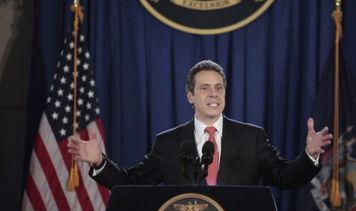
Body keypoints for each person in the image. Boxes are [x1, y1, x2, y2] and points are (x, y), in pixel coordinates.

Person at [67, 60, 332, 189]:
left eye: (219, 88)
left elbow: (285, 177)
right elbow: (130, 183)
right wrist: (99, 162)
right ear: (190, 96)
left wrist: (309, 155)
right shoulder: (168, 143)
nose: (213, 94)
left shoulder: (252, 138)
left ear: (225, 95)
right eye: (204, 88)